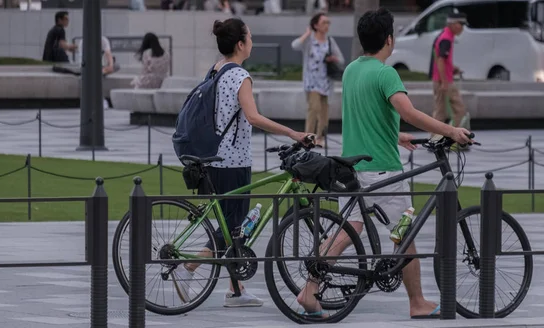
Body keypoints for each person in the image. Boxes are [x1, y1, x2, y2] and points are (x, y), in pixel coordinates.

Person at [295, 8, 472, 319]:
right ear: (389, 39)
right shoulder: (386, 73)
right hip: (383, 170)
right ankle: (417, 302)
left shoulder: (352, 70)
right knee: (406, 233)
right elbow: (408, 111)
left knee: (347, 230)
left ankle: (310, 289)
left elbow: (368, 114)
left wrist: (396, 134)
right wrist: (451, 130)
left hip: (352, 167)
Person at [171, 18, 312, 308]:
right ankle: (188, 268)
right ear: (240, 44)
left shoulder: (217, 68)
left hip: (214, 157)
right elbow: (253, 116)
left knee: (233, 227)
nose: (253, 42)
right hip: (232, 162)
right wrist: (293, 132)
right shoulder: (240, 76)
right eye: (250, 37)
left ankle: (236, 289)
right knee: (232, 229)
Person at [291, 13, 344, 148]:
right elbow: (295, 46)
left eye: (328, 22)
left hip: (326, 82)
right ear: (316, 25)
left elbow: (341, 59)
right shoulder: (309, 41)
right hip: (312, 83)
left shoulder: (330, 41)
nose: (327, 25)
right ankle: (308, 138)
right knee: (313, 109)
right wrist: (307, 33)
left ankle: (320, 138)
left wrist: (333, 59)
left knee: (324, 112)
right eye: (324, 22)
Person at [428, 12, 469, 137]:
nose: (463, 28)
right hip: (443, 81)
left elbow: (441, 59)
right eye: (461, 24)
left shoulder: (445, 35)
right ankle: (455, 138)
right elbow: (440, 60)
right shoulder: (446, 38)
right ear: (454, 24)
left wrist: (452, 69)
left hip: (441, 79)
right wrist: (445, 82)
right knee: (458, 110)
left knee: (441, 112)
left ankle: (435, 139)